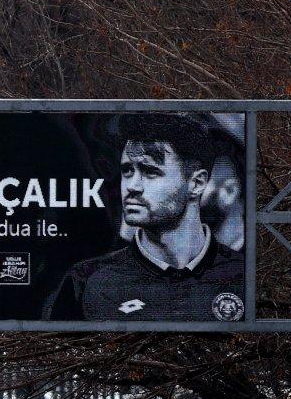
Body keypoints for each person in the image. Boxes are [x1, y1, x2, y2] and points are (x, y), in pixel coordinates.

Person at [42, 114, 246, 324]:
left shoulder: (247, 275)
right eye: (127, 170)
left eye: (150, 172)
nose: (132, 186)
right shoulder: (86, 281)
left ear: (197, 183)